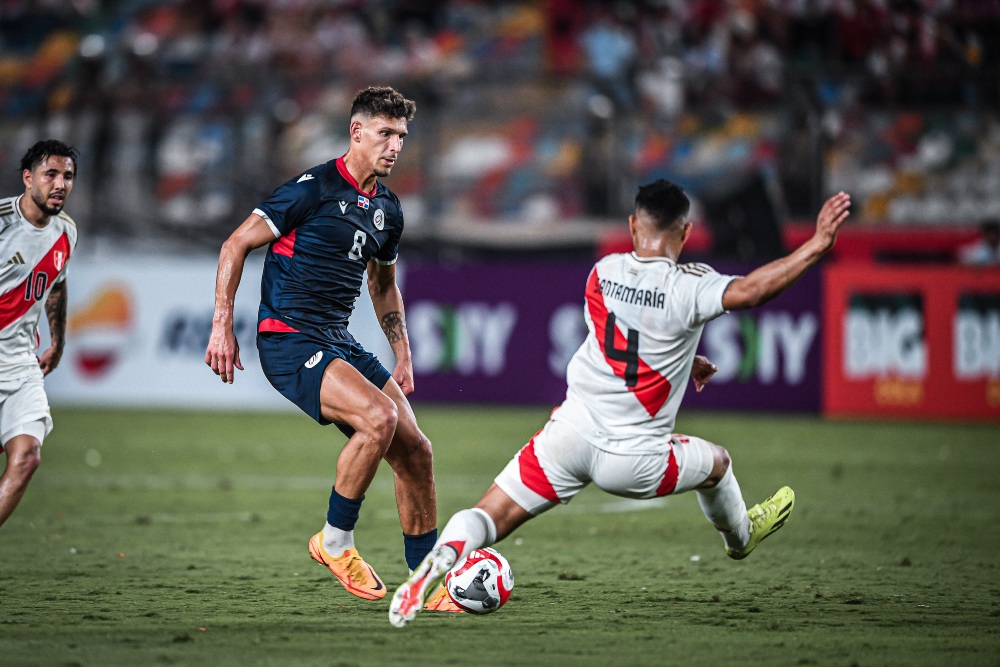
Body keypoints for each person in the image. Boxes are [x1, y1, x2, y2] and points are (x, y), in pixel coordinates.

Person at [389, 180, 852, 627]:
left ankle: (437, 569)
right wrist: (816, 244)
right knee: (718, 465)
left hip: (567, 438)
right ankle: (741, 538)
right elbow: (752, 291)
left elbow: (624, 340)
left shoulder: (603, 272)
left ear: (633, 226)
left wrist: (686, 359)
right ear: (687, 232)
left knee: (486, 517)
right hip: (634, 461)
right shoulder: (688, 286)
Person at [205, 86, 455, 610]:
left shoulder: (387, 209)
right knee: (379, 420)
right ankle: (334, 541)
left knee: (417, 451)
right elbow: (236, 244)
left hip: (337, 337)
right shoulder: (312, 188)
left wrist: (402, 351)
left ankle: (425, 585)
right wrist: (222, 324)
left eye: (402, 136)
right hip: (289, 336)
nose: (394, 146)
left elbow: (383, 285)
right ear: (356, 131)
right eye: (385, 133)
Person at [0, 140, 79, 528]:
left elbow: (57, 285)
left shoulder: (66, 231)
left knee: (28, 457)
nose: (60, 183)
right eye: (51, 174)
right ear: (28, 178)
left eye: (67, 176)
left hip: (21, 365)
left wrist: (58, 342)